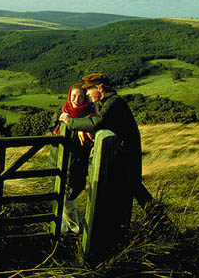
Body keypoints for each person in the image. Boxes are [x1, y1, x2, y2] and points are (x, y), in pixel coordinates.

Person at [59, 73, 143, 229]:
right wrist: (82, 128)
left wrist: (71, 122)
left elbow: (97, 122)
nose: (88, 95)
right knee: (127, 195)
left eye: (89, 90)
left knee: (133, 195)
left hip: (126, 160)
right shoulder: (105, 103)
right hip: (118, 158)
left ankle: (161, 226)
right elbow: (95, 121)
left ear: (100, 88)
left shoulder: (114, 103)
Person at [50, 83, 95, 233]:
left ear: (85, 98)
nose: (76, 99)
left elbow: (94, 133)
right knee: (60, 196)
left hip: (77, 165)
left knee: (69, 198)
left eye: (80, 96)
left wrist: (81, 127)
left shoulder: (90, 117)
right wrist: (60, 121)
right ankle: (65, 228)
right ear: (69, 96)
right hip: (57, 162)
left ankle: (74, 229)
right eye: (73, 96)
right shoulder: (62, 112)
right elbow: (51, 133)